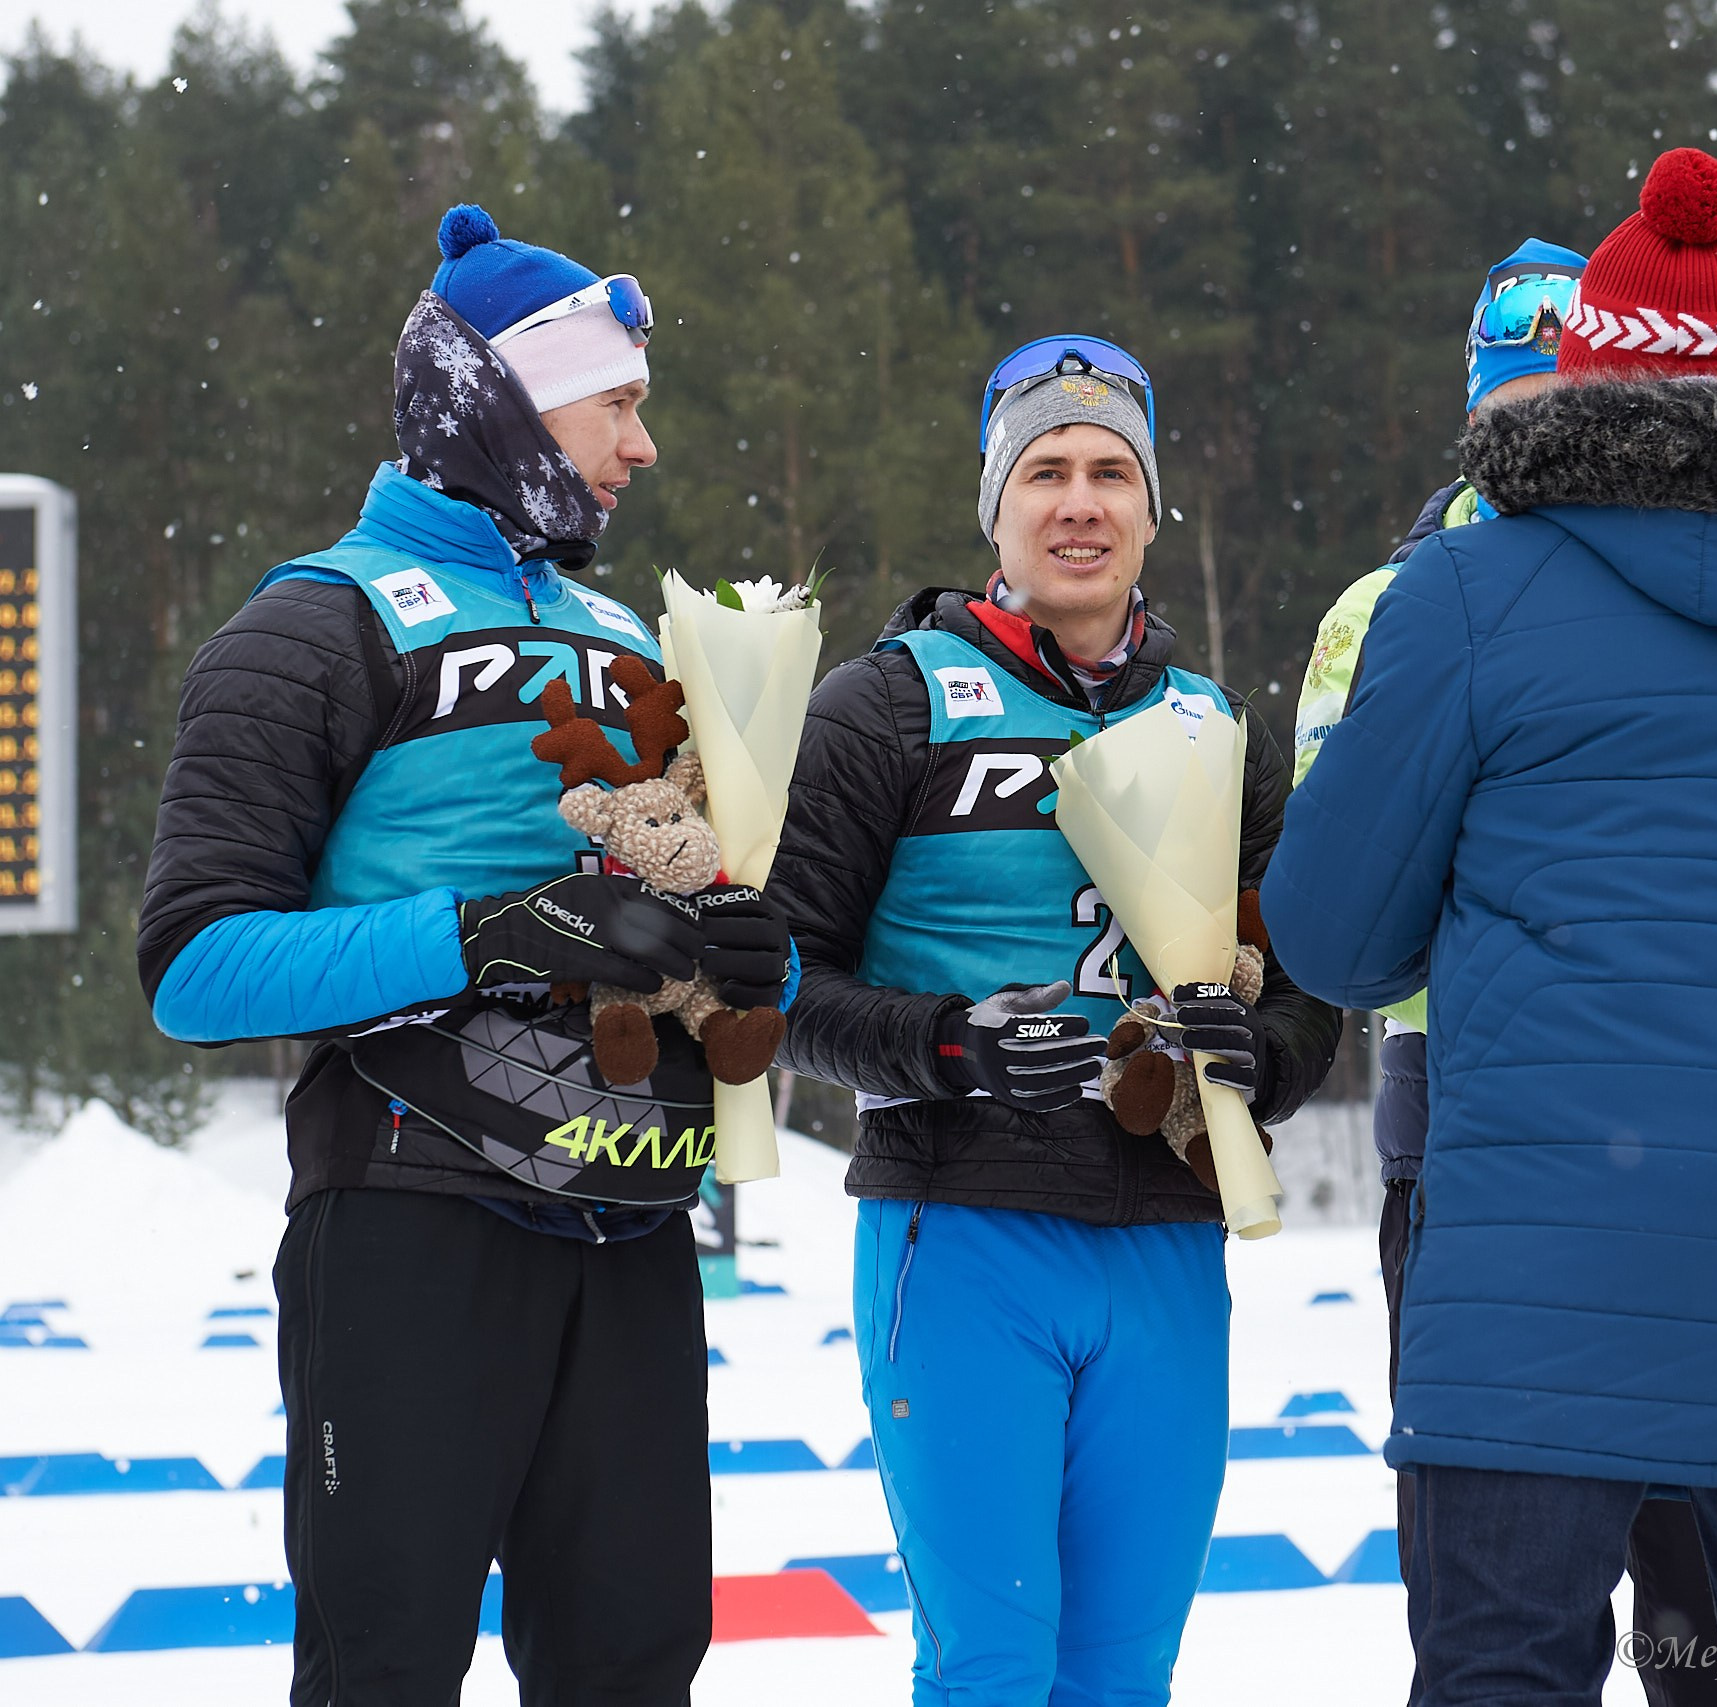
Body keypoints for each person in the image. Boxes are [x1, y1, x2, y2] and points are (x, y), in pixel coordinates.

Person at [1264, 148, 1717, 1707]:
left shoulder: (1467, 591)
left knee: (1507, 1675)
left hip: (1537, 1278)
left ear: (1586, 371)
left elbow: (1331, 939)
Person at [137, 206, 790, 1704]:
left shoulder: (634, 631)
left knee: (632, 1667)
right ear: (498, 396)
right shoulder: (312, 621)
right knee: (384, 1666)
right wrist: (486, 936)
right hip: (411, 1217)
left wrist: (760, 960)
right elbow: (197, 966)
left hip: (632, 1231)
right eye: (617, 404)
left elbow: (714, 935)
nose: (643, 449)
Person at [764, 334, 1340, 1705]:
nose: (1078, 503)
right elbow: (771, 990)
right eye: (1045, 473)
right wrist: (948, 1046)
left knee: (1124, 1672)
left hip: (1164, 1246)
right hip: (961, 1232)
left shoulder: (1216, 723)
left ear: (1151, 510)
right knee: (993, 1665)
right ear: (997, 506)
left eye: (1109, 472)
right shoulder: (890, 702)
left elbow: (1316, 991)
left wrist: (1260, 1062)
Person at [1294, 237, 1717, 1707]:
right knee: (1498, 1614)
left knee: (1713, 1612)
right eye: (1517, 405)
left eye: (1575, 401)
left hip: (1694, 1139)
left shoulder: (1709, 590)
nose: (1551, 441)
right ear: (1478, 414)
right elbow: (1349, 917)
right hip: (1470, 1132)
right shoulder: (1384, 608)